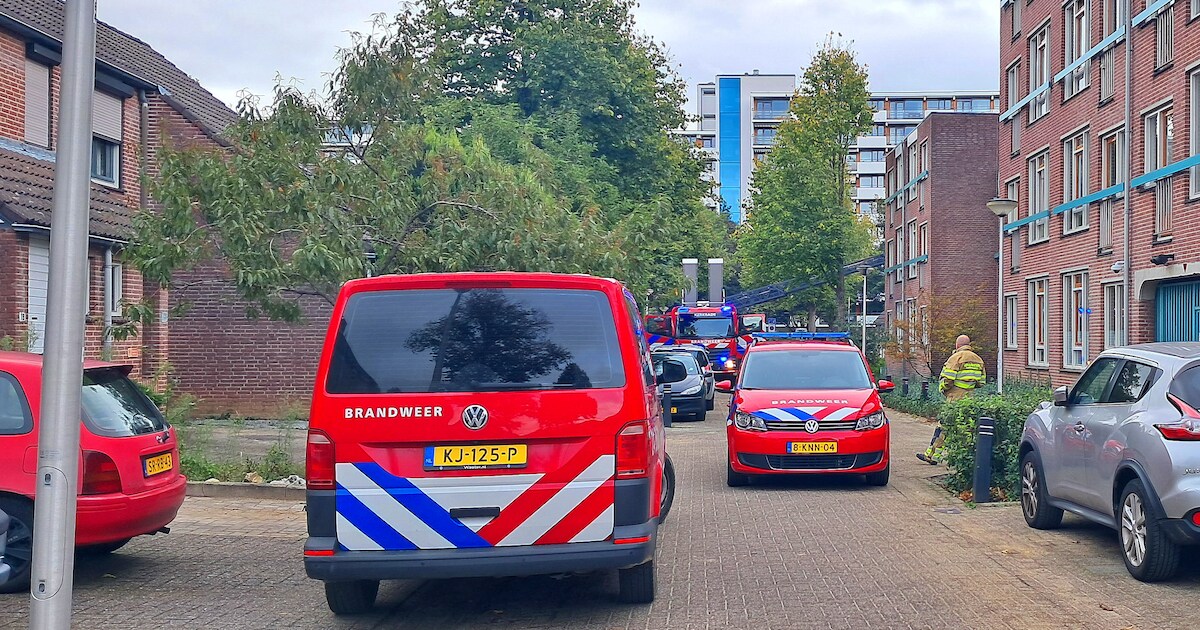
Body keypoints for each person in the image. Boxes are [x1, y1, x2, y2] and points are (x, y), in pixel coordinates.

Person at [917, 334, 986, 465]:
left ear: (957, 345)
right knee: (966, 427)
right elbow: (981, 382)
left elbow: (948, 379)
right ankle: (966, 459)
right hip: (970, 398)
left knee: (944, 426)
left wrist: (944, 389)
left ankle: (932, 455)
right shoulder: (978, 360)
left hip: (954, 398)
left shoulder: (956, 358)